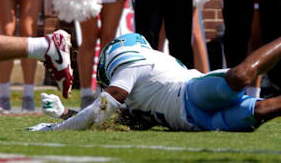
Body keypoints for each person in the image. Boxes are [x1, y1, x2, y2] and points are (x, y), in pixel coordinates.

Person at [29, 32, 281, 132]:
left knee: (239, 78)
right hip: (198, 123)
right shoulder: (140, 90)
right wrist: (64, 113)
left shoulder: (133, 64)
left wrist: (55, 129)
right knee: (260, 110)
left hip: (192, 92)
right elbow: (111, 118)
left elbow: (102, 108)